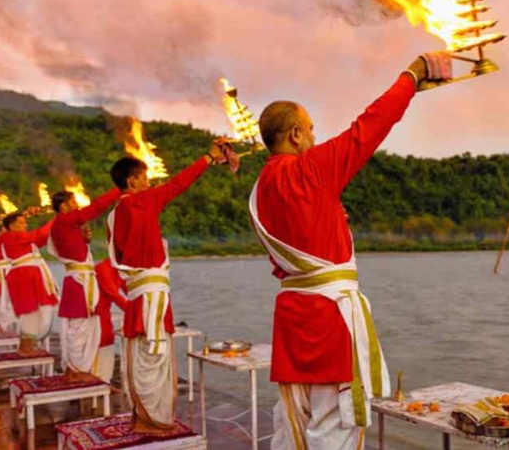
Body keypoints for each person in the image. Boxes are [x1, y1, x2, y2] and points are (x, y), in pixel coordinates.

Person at [248, 53, 451, 450]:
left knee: (292, 422)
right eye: (309, 130)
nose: (314, 137)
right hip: (329, 320)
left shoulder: (259, 190)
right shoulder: (312, 169)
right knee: (337, 422)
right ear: (293, 135)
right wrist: (412, 76)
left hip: (291, 317)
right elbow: (371, 124)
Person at [107, 140, 225, 433]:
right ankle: (153, 421)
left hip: (139, 293)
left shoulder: (113, 214)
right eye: (145, 178)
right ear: (132, 181)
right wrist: (208, 156)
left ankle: (142, 416)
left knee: (142, 355)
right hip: (150, 295)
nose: (148, 183)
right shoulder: (140, 202)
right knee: (155, 358)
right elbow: (178, 183)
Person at [49, 186, 121, 380]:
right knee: (78, 328)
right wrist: (118, 190)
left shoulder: (64, 224)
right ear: (63, 207)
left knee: (80, 327)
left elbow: (74, 251)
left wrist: (84, 241)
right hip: (79, 282)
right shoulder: (64, 220)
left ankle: (76, 369)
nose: (77, 206)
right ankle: (76, 371)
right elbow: (95, 208)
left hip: (79, 280)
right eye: (73, 202)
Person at [0, 210, 56, 354]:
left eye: (25, 222)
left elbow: (40, 239)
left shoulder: (20, 237)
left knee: (34, 309)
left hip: (28, 273)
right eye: (20, 223)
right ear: (11, 226)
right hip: (23, 275)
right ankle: (25, 347)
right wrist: (58, 218)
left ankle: (28, 344)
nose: (25, 225)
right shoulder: (11, 236)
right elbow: (40, 234)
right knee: (29, 310)